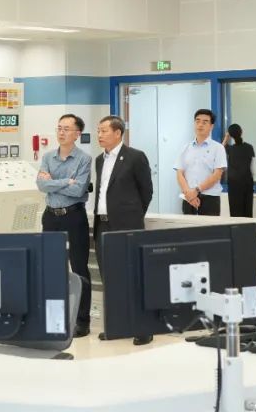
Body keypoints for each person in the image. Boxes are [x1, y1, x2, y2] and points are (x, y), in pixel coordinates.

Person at [93, 115, 154, 344]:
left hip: (127, 226)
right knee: (110, 278)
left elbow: (146, 191)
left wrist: (132, 216)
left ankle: (143, 328)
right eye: (98, 131)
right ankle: (117, 325)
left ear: (118, 133)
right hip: (103, 225)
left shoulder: (135, 157)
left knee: (132, 276)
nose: (99, 135)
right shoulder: (99, 160)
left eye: (104, 131)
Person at [36, 113, 93, 337]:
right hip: (51, 217)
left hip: (74, 217)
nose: (61, 132)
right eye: (59, 128)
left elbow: (78, 190)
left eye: (66, 129)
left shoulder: (84, 159)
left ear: (77, 134)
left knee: (79, 268)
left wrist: (52, 182)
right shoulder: (48, 157)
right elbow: (41, 185)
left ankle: (82, 321)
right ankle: (54, 318)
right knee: (51, 268)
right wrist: (64, 182)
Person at [175, 109, 227, 216]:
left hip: (210, 198)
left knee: (209, 227)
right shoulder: (185, 148)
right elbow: (179, 173)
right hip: (188, 198)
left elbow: (217, 175)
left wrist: (196, 191)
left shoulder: (218, 148)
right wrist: (189, 194)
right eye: (197, 121)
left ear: (211, 126)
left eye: (205, 122)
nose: (200, 125)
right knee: (188, 226)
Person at [223, 124, 255, 217]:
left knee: (235, 211)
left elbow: (222, 146)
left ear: (230, 135)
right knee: (247, 210)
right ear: (241, 132)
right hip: (247, 183)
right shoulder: (249, 147)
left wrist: (226, 136)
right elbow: (253, 169)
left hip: (233, 184)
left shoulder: (231, 149)